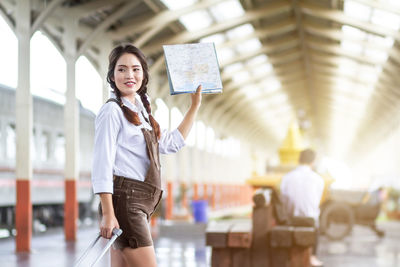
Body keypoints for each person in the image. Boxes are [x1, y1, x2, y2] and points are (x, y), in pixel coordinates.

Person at [91, 44, 202, 267]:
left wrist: (194, 106)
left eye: (135, 69)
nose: (129, 75)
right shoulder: (112, 111)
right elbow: (102, 163)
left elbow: (170, 144)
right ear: (112, 75)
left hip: (137, 203)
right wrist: (107, 213)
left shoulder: (141, 111)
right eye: (121, 69)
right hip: (126, 203)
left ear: (143, 74)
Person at [280, 149, 324, 267]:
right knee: (316, 216)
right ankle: (313, 256)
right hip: (310, 221)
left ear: (299, 160)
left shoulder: (287, 178)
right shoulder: (318, 179)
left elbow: (284, 201)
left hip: (291, 220)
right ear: (313, 161)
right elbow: (316, 202)